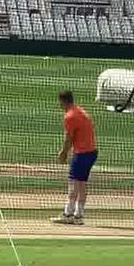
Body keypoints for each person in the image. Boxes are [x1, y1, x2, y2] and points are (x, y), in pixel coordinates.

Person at [53, 90, 98, 226]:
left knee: (73, 183)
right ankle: (79, 215)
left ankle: (68, 214)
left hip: (82, 153)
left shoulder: (70, 116)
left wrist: (63, 152)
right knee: (82, 183)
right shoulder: (80, 111)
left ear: (63, 101)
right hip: (91, 153)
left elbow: (69, 138)